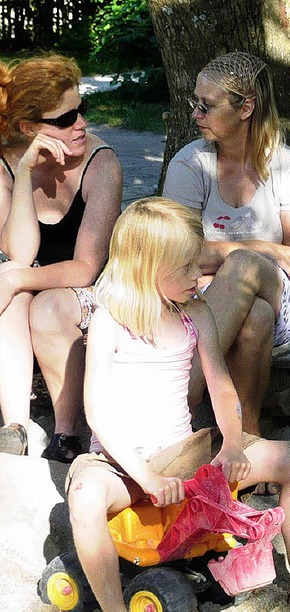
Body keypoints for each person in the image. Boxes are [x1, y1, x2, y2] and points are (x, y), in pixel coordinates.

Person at [67, 197, 290, 612]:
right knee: (85, 496)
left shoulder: (195, 312)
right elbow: (97, 414)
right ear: (146, 267)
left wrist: (232, 443)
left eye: (199, 264)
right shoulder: (110, 321)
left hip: (184, 451)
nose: (200, 275)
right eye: (187, 267)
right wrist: (144, 476)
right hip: (121, 462)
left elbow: (221, 386)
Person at [162, 52, 290, 462]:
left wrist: (232, 257)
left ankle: (179, 403)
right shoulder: (190, 164)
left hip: (282, 294)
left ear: (246, 107)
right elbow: (177, 252)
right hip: (205, 297)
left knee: (246, 269)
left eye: (207, 105)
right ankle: (246, 440)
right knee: (253, 317)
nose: (195, 114)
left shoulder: (288, 167)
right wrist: (260, 246)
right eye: (195, 102)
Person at [0, 54, 122, 460]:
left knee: (34, 296)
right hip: (32, 285)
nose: (81, 124)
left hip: (86, 294)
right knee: (16, 293)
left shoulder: (100, 163)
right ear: (29, 128)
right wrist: (22, 177)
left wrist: (16, 279)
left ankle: (67, 432)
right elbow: (19, 252)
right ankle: (17, 427)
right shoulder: (5, 164)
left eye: (81, 109)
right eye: (65, 118)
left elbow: (86, 269)